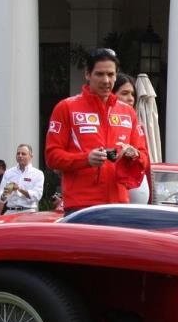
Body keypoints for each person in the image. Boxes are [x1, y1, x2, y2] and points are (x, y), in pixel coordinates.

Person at [45, 48, 149, 215]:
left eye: (111, 74)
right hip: (81, 205)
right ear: (87, 74)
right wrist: (86, 159)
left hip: (119, 204)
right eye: (100, 74)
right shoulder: (66, 107)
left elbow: (145, 158)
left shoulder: (128, 112)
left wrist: (133, 154)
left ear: (116, 75)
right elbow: (52, 157)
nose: (106, 80)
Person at [112, 74, 150, 204]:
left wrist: (135, 154)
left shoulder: (135, 122)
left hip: (130, 191)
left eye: (132, 94)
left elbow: (145, 158)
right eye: (125, 93)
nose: (130, 98)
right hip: (112, 193)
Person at [0, 144, 44, 214]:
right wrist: (8, 190)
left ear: (31, 156)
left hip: (28, 212)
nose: (20, 156)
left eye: (23, 154)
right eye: (18, 153)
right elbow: (2, 199)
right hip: (10, 212)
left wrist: (19, 189)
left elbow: (37, 196)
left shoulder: (38, 174)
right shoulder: (9, 172)